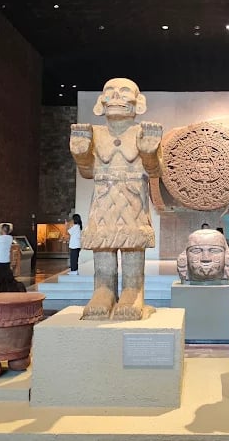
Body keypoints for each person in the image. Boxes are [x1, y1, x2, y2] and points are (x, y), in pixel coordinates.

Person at [70, 77, 162, 320]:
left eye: (124, 92)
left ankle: (133, 292)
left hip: (133, 200)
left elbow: (154, 171)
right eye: (110, 92)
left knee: (132, 246)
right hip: (104, 199)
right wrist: (81, 156)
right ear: (101, 102)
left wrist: (150, 153)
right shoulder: (95, 133)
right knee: (103, 247)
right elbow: (88, 172)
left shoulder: (144, 132)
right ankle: (103, 292)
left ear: (138, 103)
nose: (116, 97)